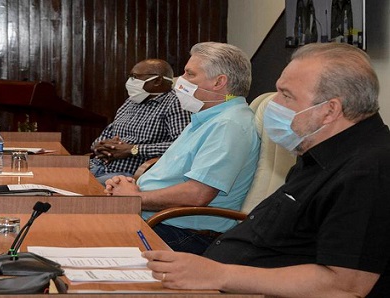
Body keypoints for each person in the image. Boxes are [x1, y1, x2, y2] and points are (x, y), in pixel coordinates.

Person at [142, 43, 390, 297]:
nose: (274, 103)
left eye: (286, 95)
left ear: (330, 110)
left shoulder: (370, 171)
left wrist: (218, 274)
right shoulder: (320, 152)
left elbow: (344, 285)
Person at [105, 42, 260, 255]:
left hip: (184, 233)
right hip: (160, 219)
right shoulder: (206, 118)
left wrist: (134, 199)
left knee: (79, 234)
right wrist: (131, 187)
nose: (180, 81)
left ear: (219, 82)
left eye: (190, 74)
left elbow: (197, 195)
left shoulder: (229, 125)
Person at [90, 59, 192, 185]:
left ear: (157, 81)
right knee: (62, 182)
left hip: (128, 175)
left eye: (135, 77)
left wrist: (133, 149)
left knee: (72, 194)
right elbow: (109, 132)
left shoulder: (175, 103)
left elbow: (182, 146)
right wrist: (100, 147)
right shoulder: (132, 101)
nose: (130, 81)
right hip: (98, 166)